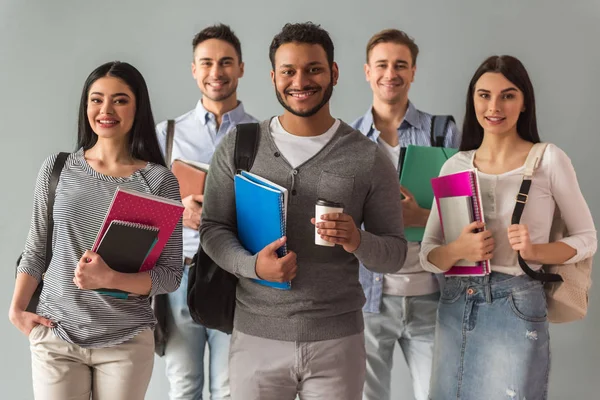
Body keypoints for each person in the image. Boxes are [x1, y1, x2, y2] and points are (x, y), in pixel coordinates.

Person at [199, 22, 407, 400]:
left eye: (314, 69)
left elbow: (394, 253)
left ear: (334, 73)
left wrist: (357, 240)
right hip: (255, 337)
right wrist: (254, 267)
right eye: (288, 71)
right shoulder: (240, 145)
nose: (300, 81)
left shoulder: (368, 156)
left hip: (337, 341)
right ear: (273, 77)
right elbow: (213, 229)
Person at [420, 55, 597, 399]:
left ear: (524, 102)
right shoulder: (454, 167)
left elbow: (588, 238)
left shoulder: (547, 159)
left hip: (516, 302)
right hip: (456, 303)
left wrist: (535, 252)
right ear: (473, 100)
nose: (494, 106)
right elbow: (429, 255)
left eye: (508, 95)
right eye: (484, 95)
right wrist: (458, 250)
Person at [8, 61, 183, 400]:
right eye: (96, 99)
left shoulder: (159, 182)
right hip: (56, 334)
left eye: (119, 100)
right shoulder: (58, 169)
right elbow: (36, 249)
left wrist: (110, 279)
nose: (106, 110)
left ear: (138, 107)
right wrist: (16, 309)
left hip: (126, 340)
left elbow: (170, 274)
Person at [351, 29, 460, 400]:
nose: (390, 73)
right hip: (368, 297)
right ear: (367, 71)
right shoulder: (347, 139)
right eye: (381, 65)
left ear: (413, 71)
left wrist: (421, 217)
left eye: (400, 65)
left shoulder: (442, 132)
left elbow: (465, 216)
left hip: (433, 293)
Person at [155, 23, 257, 400]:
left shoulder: (262, 133)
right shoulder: (165, 134)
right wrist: (177, 211)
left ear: (242, 68)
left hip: (239, 276)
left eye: (226, 62)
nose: (217, 72)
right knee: (183, 387)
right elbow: (142, 210)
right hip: (179, 273)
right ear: (194, 69)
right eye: (207, 63)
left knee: (231, 390)